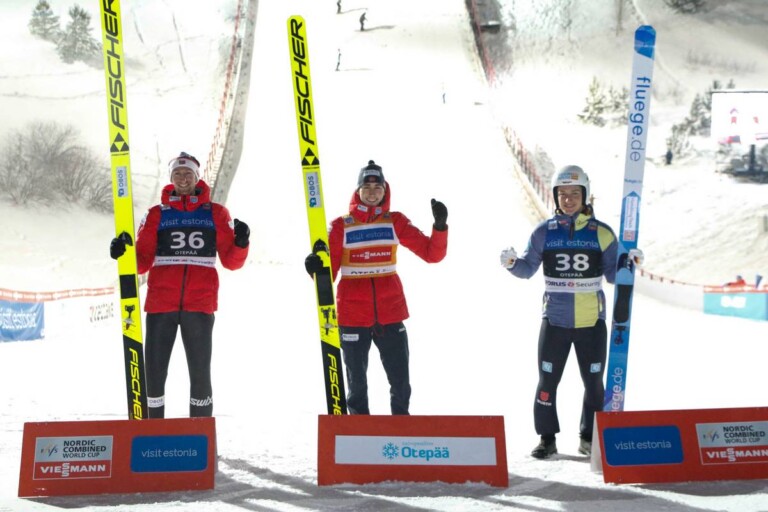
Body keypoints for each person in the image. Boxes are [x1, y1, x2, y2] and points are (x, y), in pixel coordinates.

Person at [499, 165, 643, 459]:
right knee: (547, 382)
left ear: (586, 196)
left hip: (592, 322)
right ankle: (547, 438)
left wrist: (630, 263)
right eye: (562, 194)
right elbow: (527, 270)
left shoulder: (602, 233)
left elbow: (614, 275)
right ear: (555, 196)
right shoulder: (543, 233)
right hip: (555, 322)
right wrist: (512, 263)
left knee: (593, 384)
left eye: (574, 194)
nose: (568, 199)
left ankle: (588, 437)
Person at [109, 151, 250, 419]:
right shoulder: (156, 214)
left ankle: (199, 432)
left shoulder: (216, 213)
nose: (183, 178)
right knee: (154, 372)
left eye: (188, 174)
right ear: (171, 178)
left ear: (197, 178)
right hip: (161, 304)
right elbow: (141, 263)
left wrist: (241, 243)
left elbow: (232, 262)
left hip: (199, 304)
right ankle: (153, 429)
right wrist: (123, 251)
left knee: (200, 372)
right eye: (178, 174)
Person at [304, 160, 448, 415]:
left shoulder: (395, 222)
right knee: (357, 385)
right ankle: (360, 431)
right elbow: (328, 277)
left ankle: (400, 427)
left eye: (377, 187)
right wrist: (315, 268)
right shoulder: (341, 226)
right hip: (352, 317)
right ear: (358, 190)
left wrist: (439, 227)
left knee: (401, 382)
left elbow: (431, 254)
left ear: (385, 190)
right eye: (367, 186)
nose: (372, 192)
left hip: (391, 314)